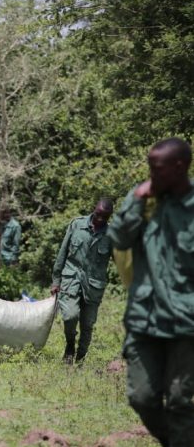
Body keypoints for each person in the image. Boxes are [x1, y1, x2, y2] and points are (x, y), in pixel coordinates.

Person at [107, 138, 194, 446]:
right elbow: (117, 237)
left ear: (179, 167)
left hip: (185, 324)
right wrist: (135, 199)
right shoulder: (146, 203)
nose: (151, 175)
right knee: (141, 396)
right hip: (145, 320)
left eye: (156, 169)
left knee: (180, 402)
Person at [50, 199, 114, 363]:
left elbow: (122, 261)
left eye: (104, 217)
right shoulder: (77, 225)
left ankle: (80, 358)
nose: (99, 219)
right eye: (98, 214)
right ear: (94, 209)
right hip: (71, 280)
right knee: (70, 316)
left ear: (109, 217)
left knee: (87, 324)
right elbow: (62, 253)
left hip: (94, 286)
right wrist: (56, 280)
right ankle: (70, 346)